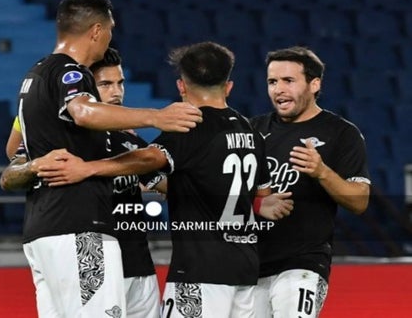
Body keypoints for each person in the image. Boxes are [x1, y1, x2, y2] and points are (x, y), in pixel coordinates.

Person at [34, 42, 294, 318]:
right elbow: (257, 194)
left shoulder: (189, 125)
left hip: (199, 270)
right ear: (228, 86)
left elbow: (150, 159)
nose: (117, 91)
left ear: (181, 86)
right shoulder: (250, 130)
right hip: (245, 266)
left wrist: (87, 168)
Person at [2, 0, 203, 318]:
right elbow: (82, 111)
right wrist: (156, 117)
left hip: (42, 231)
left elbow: (15, 149)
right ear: (97, 30)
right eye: (110, 29)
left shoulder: (34, 76)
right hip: (80, 229)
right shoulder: (72, 72)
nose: (110, 36)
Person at [2, 47, 162, 318]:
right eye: (106, 84)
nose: (116, 92)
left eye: (120, 83)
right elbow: (10, 168)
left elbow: (170, 184)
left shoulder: (128, 141)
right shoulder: (63, 141)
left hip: (137, 267)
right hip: (85, 251)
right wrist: (34, 162)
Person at [249, 46, 370, 318]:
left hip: (303, 263)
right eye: (272, 81)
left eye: (288, 80)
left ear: (314, 84)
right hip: (250, 264)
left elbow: (360, 201)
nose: (278, 89)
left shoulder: (342, 133)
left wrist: (322, 172)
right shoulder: (252, 130)